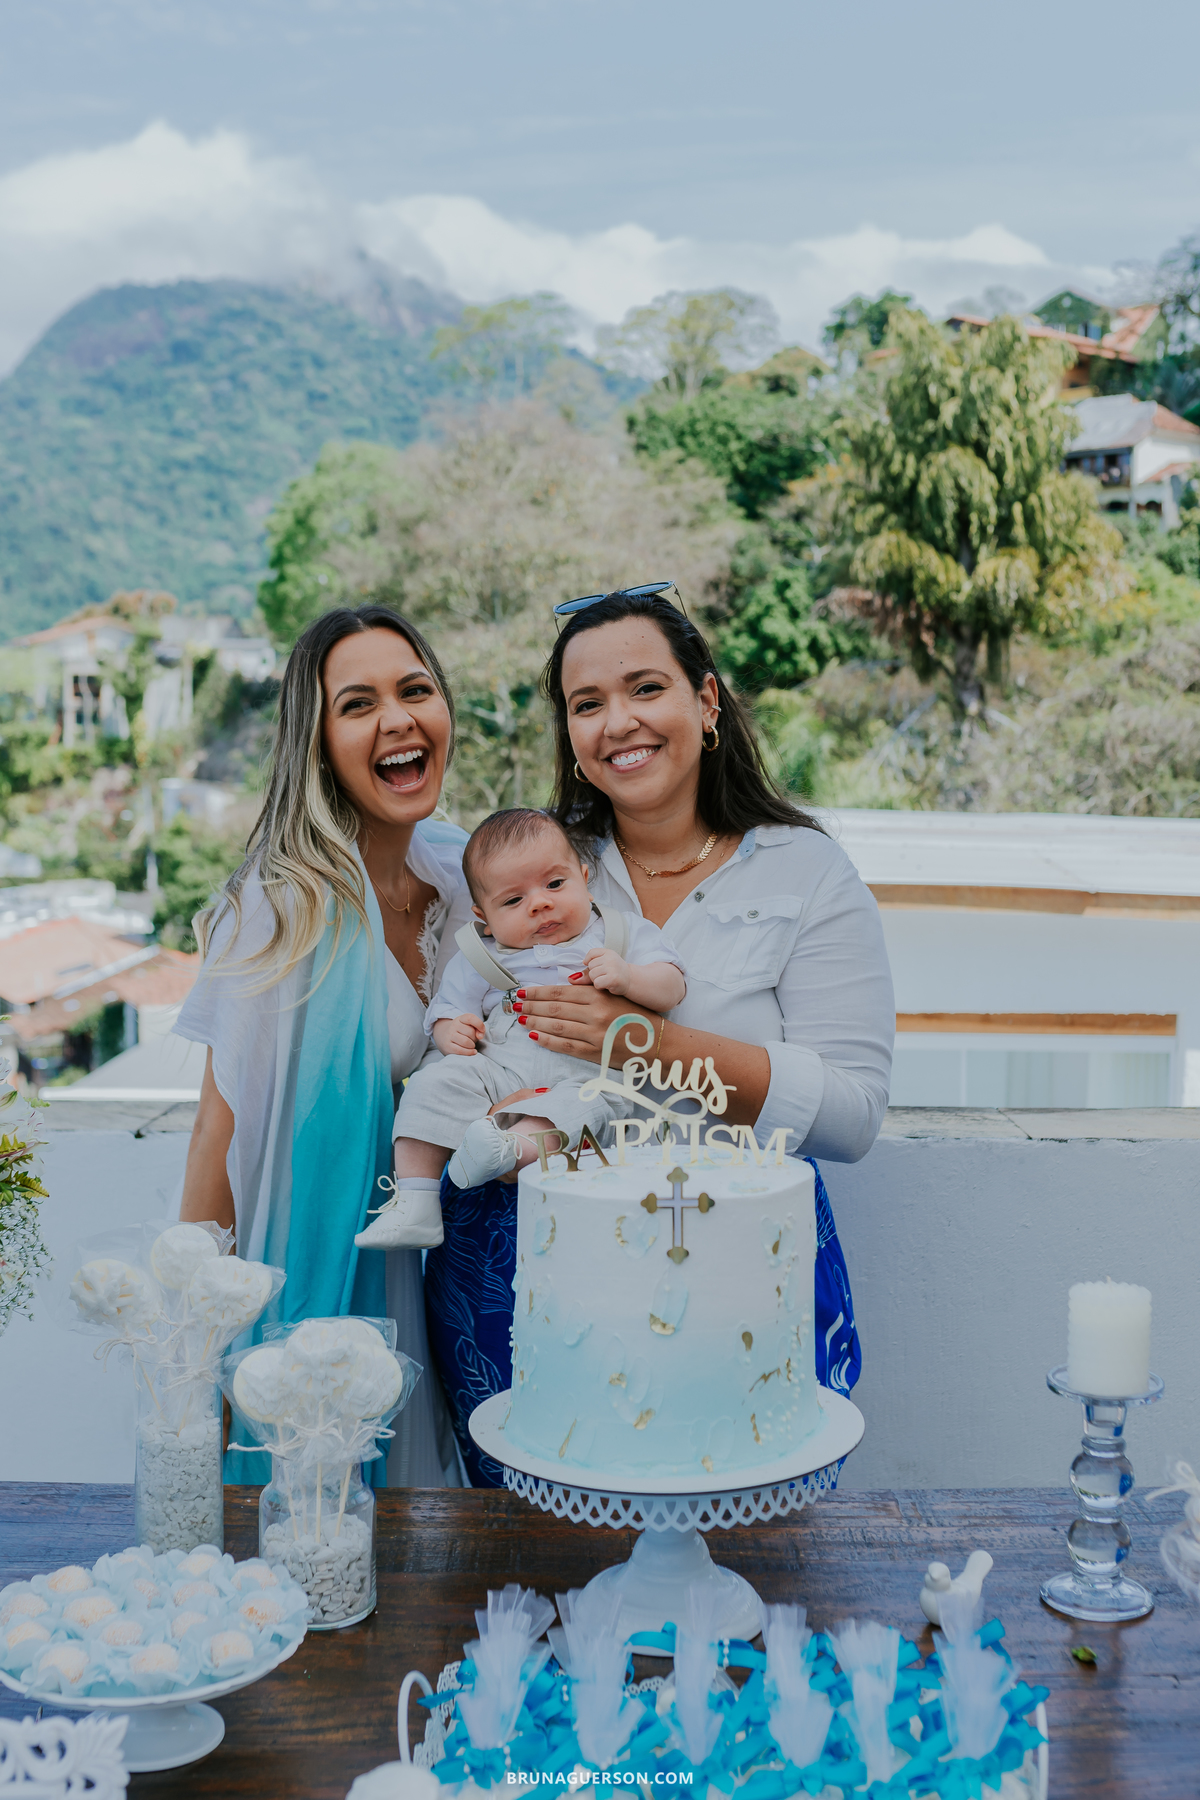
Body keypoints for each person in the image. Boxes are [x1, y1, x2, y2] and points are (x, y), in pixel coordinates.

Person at [424, 585, 893, 1483]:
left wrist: (642, 1045)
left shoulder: (807, 872)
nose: (618, 723)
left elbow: (853, 1117)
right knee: (546, 1555)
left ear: (706, 701)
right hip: (535, 1272)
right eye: (586, 704)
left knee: (735, 1553)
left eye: (646, 688)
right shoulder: (532, 867)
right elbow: (459, 1009)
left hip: (733, 1276)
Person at [174, 602, 471, 1488]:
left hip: (459, 1280)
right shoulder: (277, 914)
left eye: (416, 690)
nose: (398, 719)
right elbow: (214, 1152)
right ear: (318, 742)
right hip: (339, 1288)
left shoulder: (470, 873)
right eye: (358, 703)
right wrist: (200, 1367)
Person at [357, 806, 685, 1248]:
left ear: (585, 878)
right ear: (483, 917)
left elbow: (673, 985)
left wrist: (630, 978)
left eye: (555, 884)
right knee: (433, 1083)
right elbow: (446, 1006)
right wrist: (450, 1029)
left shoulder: (619, 934)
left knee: (577, 1111)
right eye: (513, 901)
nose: (540, 903)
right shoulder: (483, 957)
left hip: (588, 1076)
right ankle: (416, 1200)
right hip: (502, 1070)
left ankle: (507, 1150)